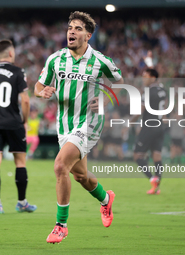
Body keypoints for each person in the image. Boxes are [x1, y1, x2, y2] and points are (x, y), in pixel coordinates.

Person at [34, 11, 124, 244]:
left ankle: (60, 225)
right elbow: (39, 84)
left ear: (89, 35)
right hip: (64, 125)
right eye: (70, 28)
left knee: (60, 165)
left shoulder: (101, 61)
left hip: (89, 123)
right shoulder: (55, 59)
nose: (71, 31)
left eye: (78, 28)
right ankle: (106, 199)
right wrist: (41, 91)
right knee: (81, 176)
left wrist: (105, 100)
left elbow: (121, 84)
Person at [0, 39, 37, 214]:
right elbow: (25, 100)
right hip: (13, 122)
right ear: (11, 53)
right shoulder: (18, 72)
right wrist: (25, 121)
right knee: (20, 162)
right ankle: (21, 202)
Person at [132, 68, 166, 195]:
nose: (143, 79)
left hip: (149, 127)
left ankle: (152, 179)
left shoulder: (147, 92)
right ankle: (157, 186)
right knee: (157, 156)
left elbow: (140, 111)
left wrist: (129, 122)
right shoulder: (162, 90)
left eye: (145, 76)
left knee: (137, 155)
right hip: (160, 126)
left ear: (153, 77)